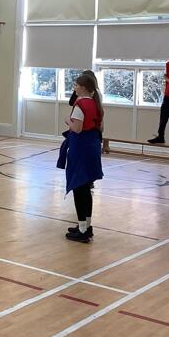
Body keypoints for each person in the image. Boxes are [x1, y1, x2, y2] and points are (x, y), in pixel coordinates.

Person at [59, 74, 104, 243]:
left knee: (79, 188)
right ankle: (86, 226)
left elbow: (77, 129)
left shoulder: (80, 105)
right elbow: (100, 128)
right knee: (86, 189)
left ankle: (83, 230)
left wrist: (67, 121)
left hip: (81, 148)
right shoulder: (96, 104)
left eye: (76, 85)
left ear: (83, 88)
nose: (74, 88)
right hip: (92, 147)